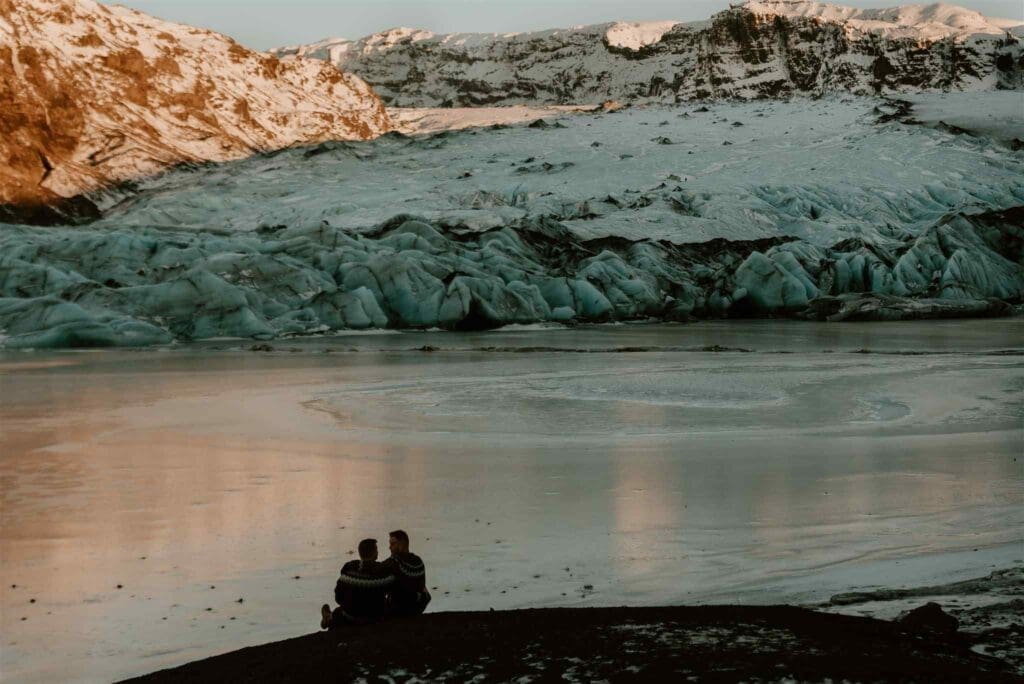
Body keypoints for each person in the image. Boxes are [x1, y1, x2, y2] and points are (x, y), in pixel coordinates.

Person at [320, 538, 394, 629]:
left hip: (351, 617)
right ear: (375, 553)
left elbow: (338, 597)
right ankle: (329, 617)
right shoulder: (383, 571)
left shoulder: (349, 570)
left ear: (360, 553)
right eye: (377, 550)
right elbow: (391, 590)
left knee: (339, 612)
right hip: (375, 617)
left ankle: (328, 618)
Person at [382, 529, 431, 616]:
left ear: (402, 544)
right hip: (417, 608)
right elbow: (423, 586)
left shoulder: (393, 562)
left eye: (393, 544)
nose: (389, 547)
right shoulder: (418, 561)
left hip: (399, 608)